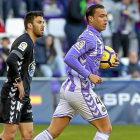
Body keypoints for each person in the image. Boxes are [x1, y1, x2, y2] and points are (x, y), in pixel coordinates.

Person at [34, 4, 120, 140]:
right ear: (90, 19)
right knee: (105, 128)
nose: (105, 19)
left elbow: (88, 59)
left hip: (70, 88)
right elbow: (69, 57)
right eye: (101, 16)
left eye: (106, 16)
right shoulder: (89, 37)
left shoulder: (96, 37)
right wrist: (89, 75)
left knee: (53, 132)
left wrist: (108, 63)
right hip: (81, 89)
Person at [0, 11, 44, 140]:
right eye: (39, 22)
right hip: (13, 92)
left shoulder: (30, 43)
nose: (43, 25)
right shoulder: (25, 41)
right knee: (9, 135)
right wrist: (19, 82)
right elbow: (11, 59)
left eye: (43, 22)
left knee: (28, 134)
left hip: (23, 95)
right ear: (29, 25)